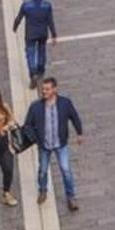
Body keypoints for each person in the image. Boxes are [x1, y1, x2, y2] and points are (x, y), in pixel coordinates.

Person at [21, 76, 83, 211]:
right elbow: (27, 126)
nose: (44, 92)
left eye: (47, 89)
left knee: (66, 170)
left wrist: (79, 133)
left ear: (55, 89)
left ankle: (71, 196)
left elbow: (74, 117)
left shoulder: (65, 103)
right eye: (43, 89)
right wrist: (36, 139)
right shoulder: (35, 107)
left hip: (61, 144)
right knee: (43, 170)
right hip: (44, 145)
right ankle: (42, 190)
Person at [13, 0, 58, 81]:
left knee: (30, 54)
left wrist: (15, 27)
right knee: (42, 52)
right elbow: (50, 21)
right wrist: (54, 35)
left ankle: (32, 73)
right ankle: (41, 71)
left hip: (30, 34)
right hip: (42, 33)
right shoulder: (47, 5)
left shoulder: (26, 5)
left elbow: (18, 18)